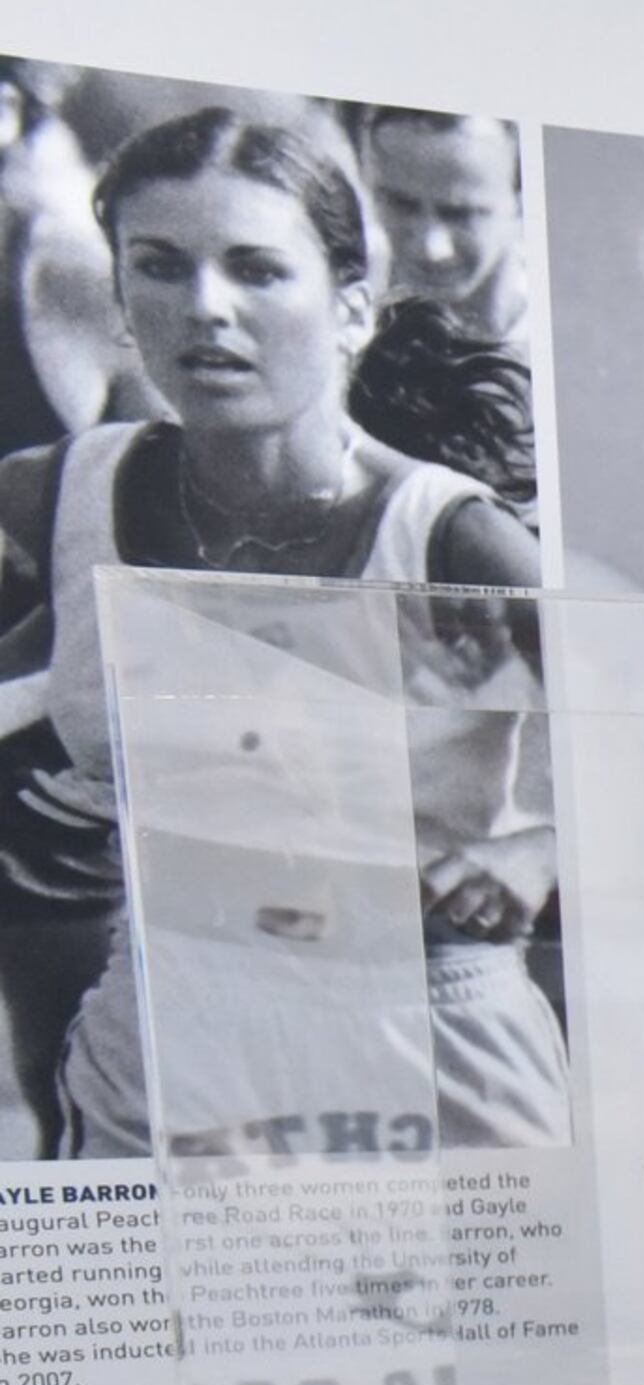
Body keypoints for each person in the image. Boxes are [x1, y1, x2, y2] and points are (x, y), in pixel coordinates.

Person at [0, 106, 540, 1159]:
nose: (205, 308)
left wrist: (542, 847)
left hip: (430, 1050)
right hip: (161, 1048)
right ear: (117, 296)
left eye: (256, 270)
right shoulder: (49, 497)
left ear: (348, 305)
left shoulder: (453, 539)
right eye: (159, 267)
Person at [358, 108, 530, 351]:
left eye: (460, 215)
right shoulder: (349, 337)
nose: (429, 248)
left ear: (522, 210)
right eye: (402, 206)